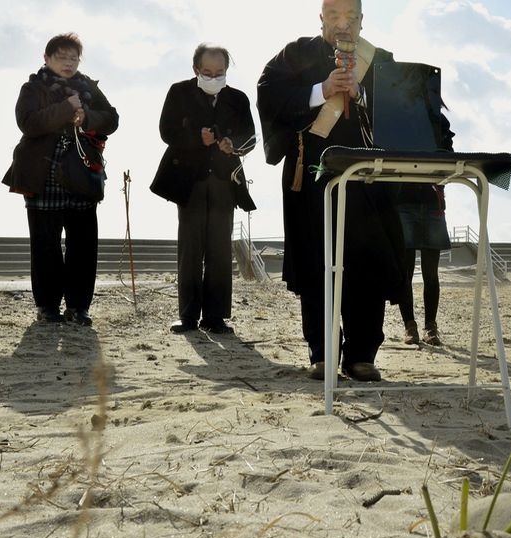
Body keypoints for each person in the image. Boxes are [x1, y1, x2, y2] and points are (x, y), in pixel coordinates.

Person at [257, 0, 407, 382]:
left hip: (368, 181)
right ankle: (322, 352)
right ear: (321, 18)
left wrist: (362, 97)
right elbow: (269, 96)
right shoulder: (295, 54)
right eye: (335, 17)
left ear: (361, 21)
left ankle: (361, 355)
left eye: (351, 18)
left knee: (366, 264)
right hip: (310, 177)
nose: (343, 25)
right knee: (317, 262)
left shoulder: (381, 60)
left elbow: (403, 114)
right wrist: (320, 90)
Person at [2, 33, 119, 326]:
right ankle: (47, 307)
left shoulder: (89, 87)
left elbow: (113, 119)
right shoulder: (32, 87)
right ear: (47, 58)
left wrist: (86, 117)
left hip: (82, 173)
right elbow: (28, 123)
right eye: (61, 57)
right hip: (42, 174)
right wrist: (68, 108)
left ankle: (79, 308)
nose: (68, 63)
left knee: (83, 244)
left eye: (73, 58)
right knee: (45, 245)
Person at [151, 43, 256, 335]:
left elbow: (250, 138)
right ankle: (187, 316)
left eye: (219, 72)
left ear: (226, 71)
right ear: (196, 69)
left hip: (224, 181)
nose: (213, 77)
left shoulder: (238, 98)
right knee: (190, 248)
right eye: (207, 72)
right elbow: (166, 131)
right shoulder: (179, 92)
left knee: (221, 250)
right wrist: (198, 138)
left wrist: (231, 143)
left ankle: (216, 316)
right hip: (189, 180)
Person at [397, 112, 455, 346]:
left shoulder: (438, 120)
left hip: (432, 203)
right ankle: (410, 326)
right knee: (405, 273)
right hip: (403, 200)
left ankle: (431, 327)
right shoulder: (396, 119)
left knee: (431, 274)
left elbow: (449, 156)